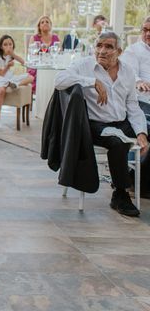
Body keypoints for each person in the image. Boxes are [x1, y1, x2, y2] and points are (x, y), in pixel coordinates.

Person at [54, 31, 149, 217]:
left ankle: (143, 183)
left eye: (109, 47)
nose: (102, 51)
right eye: (99, 45)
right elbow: (59, 80)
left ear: (119, 51)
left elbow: (133, 107)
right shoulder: (85, 66)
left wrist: (141, 133)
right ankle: (120, 194)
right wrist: (92, 81)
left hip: (122, 122)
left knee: (145, 129)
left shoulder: (128, 72)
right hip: (95, 125)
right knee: (117, 142)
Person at [121, 16, 150, 197]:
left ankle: (137, 180)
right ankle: (136, 182)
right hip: (142, 102)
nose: (147, 34)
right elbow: (130, 73)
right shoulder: (134, 51)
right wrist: (139, 82)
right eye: (144, 30)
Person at [0, 35, 33, 121]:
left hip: (9, 78)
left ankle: (15, 84)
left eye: (10, 44)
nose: (8, 46)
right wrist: (8, 66)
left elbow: (23, 62)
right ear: (1, 47)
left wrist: (13, 54)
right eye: (5, 45)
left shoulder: (10, 56)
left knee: (31, 77)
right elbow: (1, 74)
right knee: (2, 90)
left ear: (13, 45)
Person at [27, 15, 60, 92]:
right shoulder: (34, 38)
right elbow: (31, 55)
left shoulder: (56, 38)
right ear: (39, 26)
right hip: (38, 68)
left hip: (52, 67)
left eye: (47, 22)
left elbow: (59, 53)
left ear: (50, 25)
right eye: (42, 22)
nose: (45, 23)